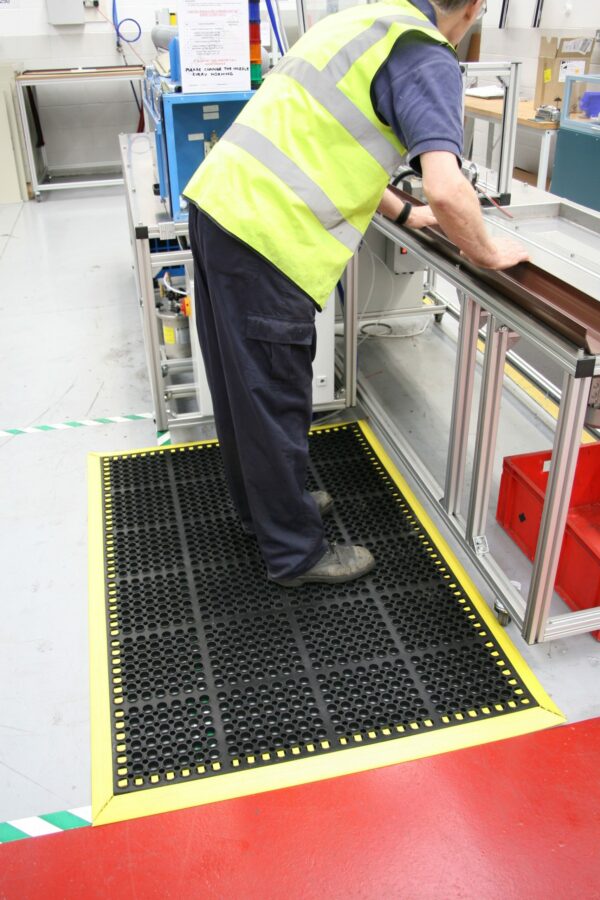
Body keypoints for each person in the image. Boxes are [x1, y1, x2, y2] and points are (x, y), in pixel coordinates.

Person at [183, 0, 529, 588]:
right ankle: (294, 554)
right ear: (473, 8)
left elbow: (332, 138)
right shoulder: (425, 52)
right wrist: (488, 252)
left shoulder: (362, 21)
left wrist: (404, 212)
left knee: (241, 389)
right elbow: (447, 188)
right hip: (270, 235)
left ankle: (263, 511)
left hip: (221, 205)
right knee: (272, 397)